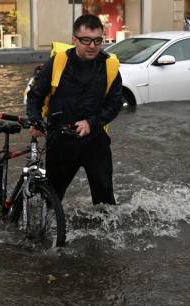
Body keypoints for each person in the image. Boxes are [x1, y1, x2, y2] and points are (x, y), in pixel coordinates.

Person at [25, 14, 123, 205]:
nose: (93, 46)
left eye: (97, 40)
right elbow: (35, 95)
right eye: (86, 40)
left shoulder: (110, 66)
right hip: (60, 141)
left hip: (94, 141)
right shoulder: (58, 62)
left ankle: (102, 232)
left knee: (104, 200)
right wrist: (35, 119)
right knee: (52, 197)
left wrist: (91, 122)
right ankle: (48, 230)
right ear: (74, 40)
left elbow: (114, 104)